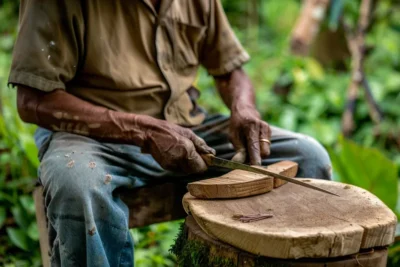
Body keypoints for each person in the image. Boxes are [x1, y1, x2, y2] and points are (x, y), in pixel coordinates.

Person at [9, 0, 332, 266]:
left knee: (307, 156)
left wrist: (244, 109)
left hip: (189, 128)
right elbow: (33, 101)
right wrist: (142, 130)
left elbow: (230, 68)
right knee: (76, 184)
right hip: (91, 137)